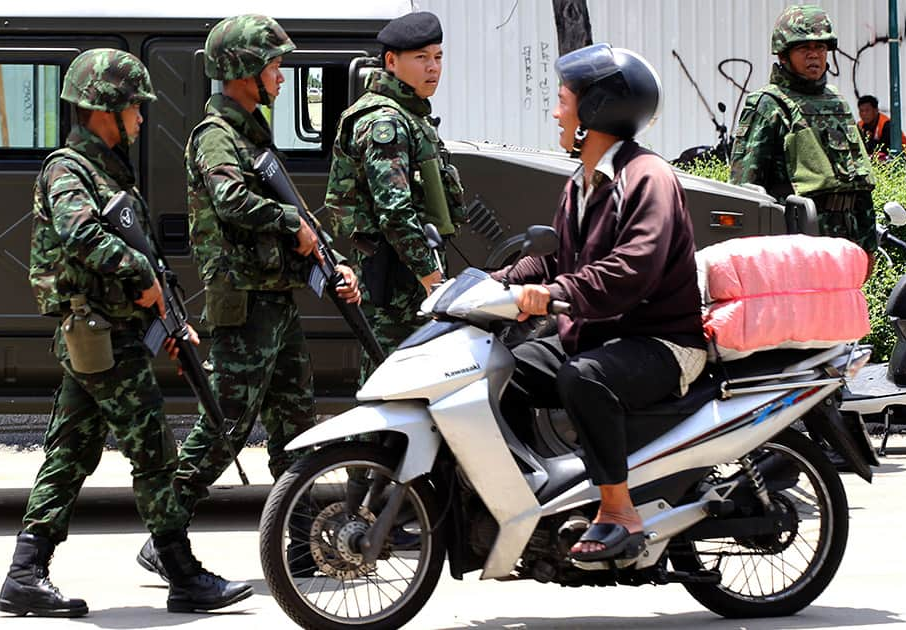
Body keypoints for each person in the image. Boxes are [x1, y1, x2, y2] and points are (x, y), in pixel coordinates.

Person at [0, 48, 252, 618]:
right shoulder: (68, 170)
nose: (141, 118)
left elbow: (140, 255)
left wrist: (168, 320)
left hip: (109, 334)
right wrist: (143, 283)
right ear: (106, 108)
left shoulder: (109, 173)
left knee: (70, 451)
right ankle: (182, 573)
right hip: (101, 336)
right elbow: (81, 235)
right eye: (136, 106)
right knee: (154, 453)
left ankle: (24, 574)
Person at [135, 15, 360, 580]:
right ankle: (165, 538)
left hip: (275, 299)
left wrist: (328, 258)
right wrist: (292, 222)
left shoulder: (251, 131)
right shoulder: (216, 135)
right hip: (243, 302)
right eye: (275, 66)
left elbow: (291, 217)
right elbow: (232, 201)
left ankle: (305, 545)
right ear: (243, 72)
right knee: (226, 422)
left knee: (297, 425)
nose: (282, 77)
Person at [494, 44, 706, 561]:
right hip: (602, 336)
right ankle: (535, 499)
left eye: (563, 100)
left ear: (594, 111)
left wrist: (558, 295)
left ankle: (618, 511)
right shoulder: (583, 183)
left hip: (662, 342)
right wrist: (488, 284)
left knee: (583, 377)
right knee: (501, 369)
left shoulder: (648, 177)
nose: (555, 112)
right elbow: (556, 260)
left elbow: (633, 267)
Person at [325, 10, 466, 379]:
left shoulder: (408, 113)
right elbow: (395, 210)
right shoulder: (385, 121)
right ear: (391, 61)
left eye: (438, 57)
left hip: (407, 271)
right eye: (421, 58)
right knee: (392, 381)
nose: (433, 68)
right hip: (394, 277)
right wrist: (430, 276)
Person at [729, 4, 877, 278]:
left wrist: (868, 245)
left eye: (820, 48)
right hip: (794, 248)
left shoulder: (837, 102)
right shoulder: (768, 105)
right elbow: (743, 192)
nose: (814, 55)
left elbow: (860, 185)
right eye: (803, 48)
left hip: (844, 246)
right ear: (784, 56)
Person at [857, 94, 906, 160]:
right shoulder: (860, 125)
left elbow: (884, 150)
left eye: (867, 110)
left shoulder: (887, 125)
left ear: (876, 110)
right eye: (861, 111)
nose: (864, 114)